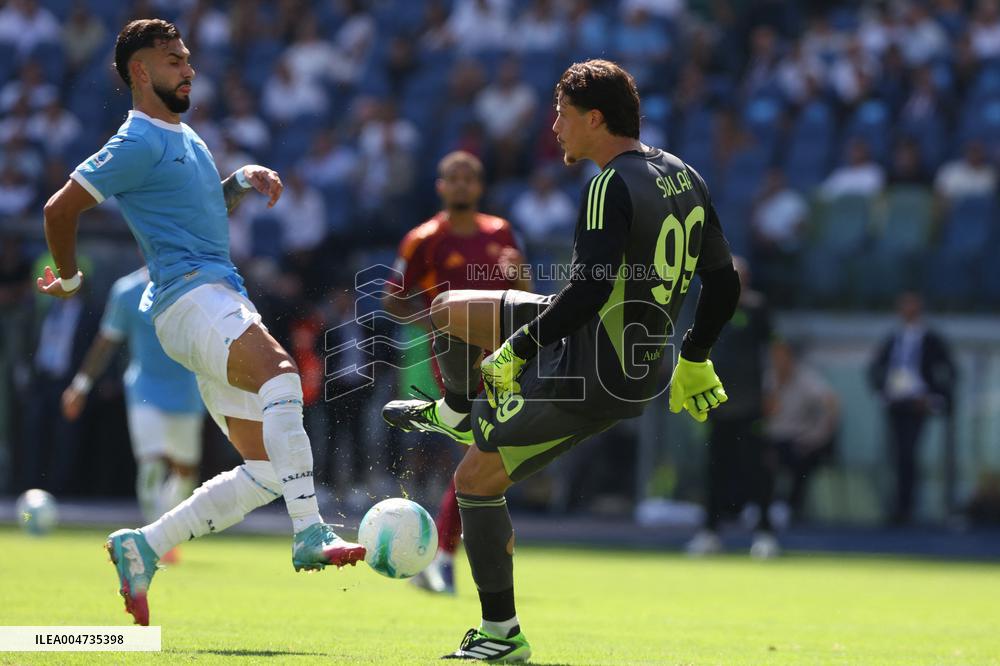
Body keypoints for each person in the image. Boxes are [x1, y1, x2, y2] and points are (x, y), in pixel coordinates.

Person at [383, 60, 740, 660]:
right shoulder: (684, 174)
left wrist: (514, 351)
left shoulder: (609, 185)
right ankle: (456, 408)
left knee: (473, 481)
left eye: (562, 115)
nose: (553, 128)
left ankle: (501, 635)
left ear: (594, 119)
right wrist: (696, 355)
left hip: (597, 372)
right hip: (610, 345)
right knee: (449, 306)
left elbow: (588, 293)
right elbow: (723, 281)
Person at [36, 19, 364, 627]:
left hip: (210, 298)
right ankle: (310, 531)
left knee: (269, 469)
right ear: (140, 71)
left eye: (187, 58)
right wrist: (73, 280)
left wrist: (238, 183)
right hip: (192, 300)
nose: (187, 69)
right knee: (282, 375)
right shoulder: (136, 141)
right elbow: (60, 209)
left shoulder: (184, 135)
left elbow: (198, 210)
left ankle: (147, 544)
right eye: (171, 60)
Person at [382, 150, 530, 596]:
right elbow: (392, 297)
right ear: (440, 186)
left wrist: (519, 276)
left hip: (504, 357)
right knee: (481, 450)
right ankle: (443, 557)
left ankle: (439, 555)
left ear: (479, 186)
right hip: (457, 362)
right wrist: (438, 326)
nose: (462, 184)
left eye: (470, 178)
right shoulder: (423, 239)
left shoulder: (500, 232)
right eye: (454, 178)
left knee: (482, 454)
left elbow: (523, 294)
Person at [61, 266, 204, 563]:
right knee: (150, 462)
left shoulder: (196, 283)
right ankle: (156, 539)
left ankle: (166, 525)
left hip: (188, 389)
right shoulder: (126, 291)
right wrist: (80, 385)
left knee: (185, 472)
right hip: (144, 388)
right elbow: (107, 341)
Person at [685, 257, 778, 559]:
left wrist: (770, 391)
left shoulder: (757, 308)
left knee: (757, 469)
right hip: (717, 403)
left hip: (750, 404)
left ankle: (764, 534)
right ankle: (710, 532)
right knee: (715, 469)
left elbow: (771, 352)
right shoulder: (708, 306)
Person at [869, 292, 956, 525]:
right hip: (896, 402)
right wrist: (882, 393)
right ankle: (897, 506)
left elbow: (949, 371)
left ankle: (907, 507)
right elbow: (875, 368)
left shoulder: (932, 339)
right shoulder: (893, 338)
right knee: (897, 455)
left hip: (919, 403)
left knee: (909, 454)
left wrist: (934, 398)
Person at [764, 340, 840, 522]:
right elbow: (764, 413)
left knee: (802, 458)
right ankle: (758, 506)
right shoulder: (768, 379)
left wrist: (818, 435)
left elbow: (831, 402)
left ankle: (791, 508)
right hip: (772, 438)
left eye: (782, 356)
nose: (778, 361)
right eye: (774, 357)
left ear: (790, 358)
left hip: (799, 439)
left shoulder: (806, 377)